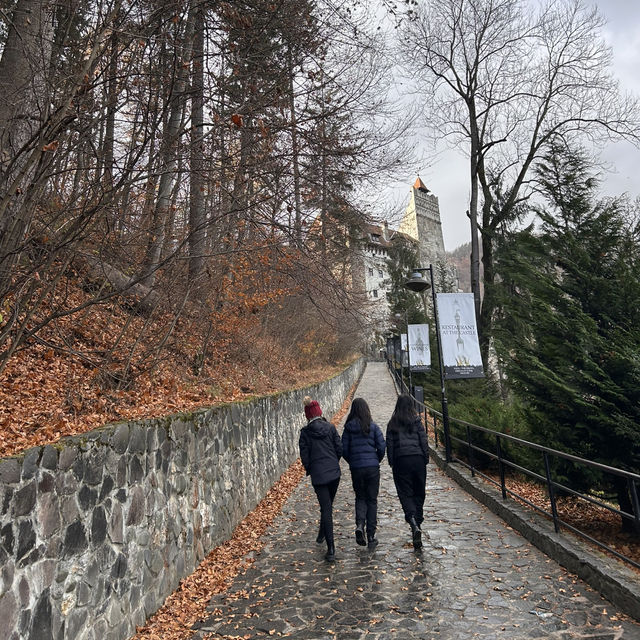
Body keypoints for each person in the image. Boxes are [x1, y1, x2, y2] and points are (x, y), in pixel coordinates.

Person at [299, 396, 342, 561]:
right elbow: (339, 448)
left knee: (326, 508)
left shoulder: (305, 433)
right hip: (334, 474)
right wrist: (333, 464)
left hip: (319, 476)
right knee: (328, 506)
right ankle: (321, 535)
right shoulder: (330, 428)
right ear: (319, 412)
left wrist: (312, 469)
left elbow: (305, 457)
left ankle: (331, 548)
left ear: (307, 415)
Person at [386, 394, 429, 550]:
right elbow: (423, 439)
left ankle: (412, 520)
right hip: (417, 459)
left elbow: (389, 444)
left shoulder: (392, 423)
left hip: (401, 460)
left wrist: (392, 461)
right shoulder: (417, 421)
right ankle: (418, 521)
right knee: (419, 491)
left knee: (405, 493)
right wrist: (425, 457)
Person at [342, 398, 385, 549]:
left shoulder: (348, 428)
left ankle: (360, 524)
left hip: (356, 468)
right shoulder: (373, 427)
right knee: (372, 500)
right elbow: (381, 447)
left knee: (360, 497)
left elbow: (344, 450)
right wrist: (376, 460)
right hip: (372, 467)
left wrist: (353, 461)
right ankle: (371, 535)